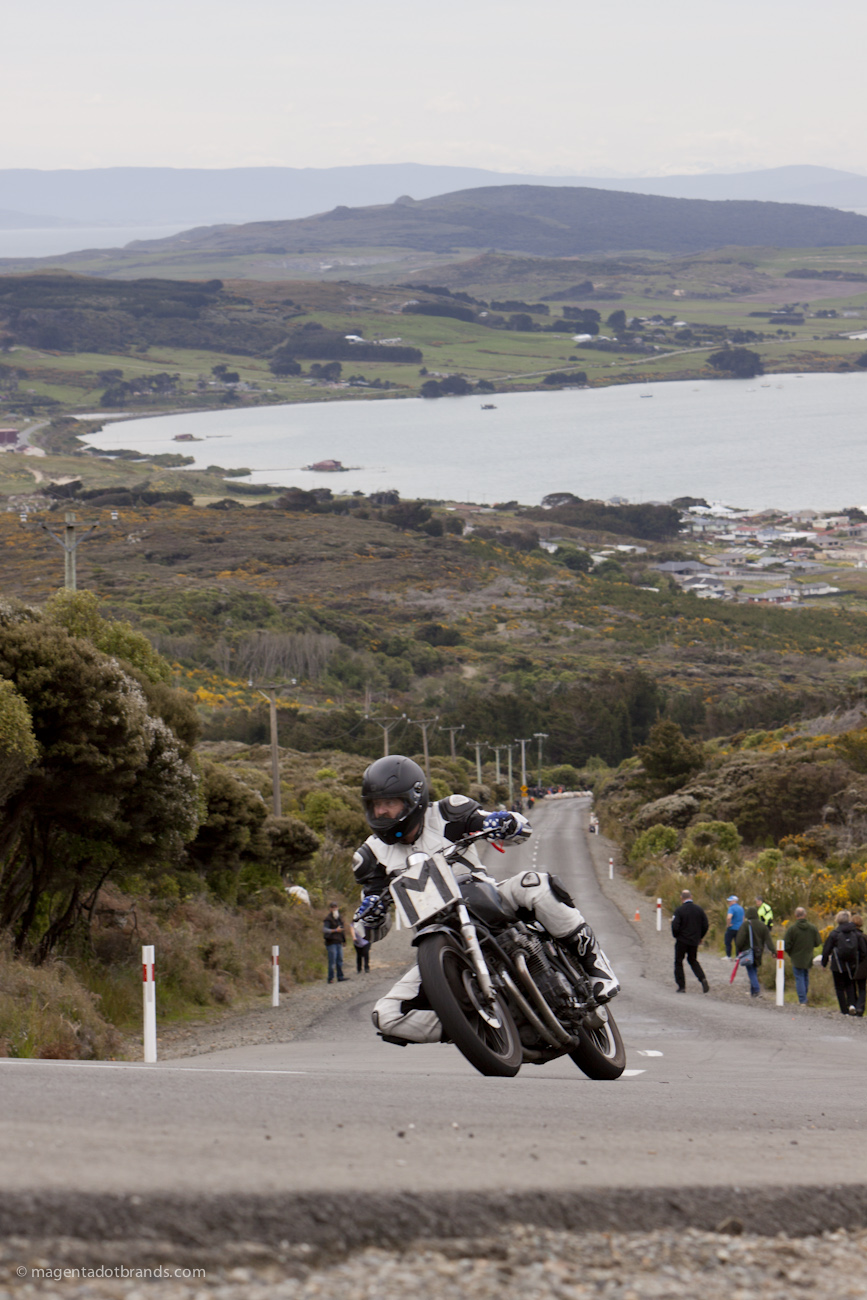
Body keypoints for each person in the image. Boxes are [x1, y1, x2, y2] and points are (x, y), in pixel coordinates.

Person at [352, 754, 619, 1046]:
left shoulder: (448, 812)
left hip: (485, 898)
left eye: (389, 804)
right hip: (440, 939)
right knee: (386, 1016)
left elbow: (520, 829)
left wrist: (504, 821)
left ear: (413, 798)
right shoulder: (370, 855)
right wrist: (371, 917)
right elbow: (373, 928)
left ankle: (596, 968)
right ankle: (479, 1024)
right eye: (375, 805)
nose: (381, 812)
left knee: (535, 883)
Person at [821, 910, 867, 1015]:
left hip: (837, 965)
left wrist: (824, 963)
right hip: (852, 965)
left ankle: (844, 1010)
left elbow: (826, 950)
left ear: (837, 920)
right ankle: (852, 1005)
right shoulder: (856, 934)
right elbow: (863, 951)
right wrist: (857, 961)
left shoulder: (834, 934)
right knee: (850, 985)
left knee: (839, 988)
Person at [671, 889, 709, 993]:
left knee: (679, 961)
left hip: (682, 940)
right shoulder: (699, 910)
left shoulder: (679, 910)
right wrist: (700, 936)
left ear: (681, 898)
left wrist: (677, 935)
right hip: (694, 941)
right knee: (692, 960)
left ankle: (682, 986)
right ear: (691, 897)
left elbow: (675, 926)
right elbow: (705, 924)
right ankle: (702, 978)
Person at [783, 907, 821, 1006]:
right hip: (808, 956)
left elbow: (786, 945)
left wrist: (791, 952)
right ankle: (804, 997)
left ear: (796, 915)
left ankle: (802, 1000)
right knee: (805, 976)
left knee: (799, 977)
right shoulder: (812, 927)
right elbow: (817, 942)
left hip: (796, 957)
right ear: (805, 915)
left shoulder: (792, 929)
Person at [735, 905, 775, 998]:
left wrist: (739, 950)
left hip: (748, 951)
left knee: (751, 971)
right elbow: (768, 940)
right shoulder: (762, 925)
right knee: (754, 970)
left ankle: (756, 990)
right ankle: (753, 992)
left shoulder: (745, 925)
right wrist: (773, 951)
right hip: (758, 952)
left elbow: (739, 940)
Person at [323, 902, 349, 984]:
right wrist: (335, 930)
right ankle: (330, 978)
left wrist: (344, 940)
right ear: (330, 909)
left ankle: (340, 976)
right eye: (333, 907)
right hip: (331, 942)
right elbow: (325, 930)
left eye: (336, 907)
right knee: (332, 961)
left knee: (340, 960)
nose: (334, 908)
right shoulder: (328, 919)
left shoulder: (339, 918)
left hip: (338, 941)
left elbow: (342, 930)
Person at [852, 914, 867, 1017]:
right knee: (862, 988)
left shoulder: (849, 936)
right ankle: (860, 1007)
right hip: (863, 967)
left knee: (851, 987)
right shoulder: (864, 937)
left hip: (850, 965)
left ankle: (852, 1006)